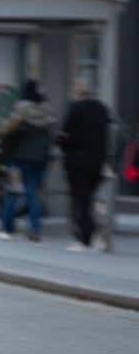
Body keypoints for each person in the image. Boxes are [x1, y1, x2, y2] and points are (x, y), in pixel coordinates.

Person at [0, 80, 55, 242]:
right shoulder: (48, 112)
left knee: (13, 192)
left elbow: (7, 131)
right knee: (33, 193)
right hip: (40, 159)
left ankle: (7, 228)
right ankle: (35, 229)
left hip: (18, 158)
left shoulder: (21, 109)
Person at [57, 80, 110, 252]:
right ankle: (98, 235)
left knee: (80, 200)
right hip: (97, 161)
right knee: (90, 198)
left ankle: (84, 238)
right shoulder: (102, 109)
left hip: (77, 161)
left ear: (77, 92)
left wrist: (63, 146)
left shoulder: (75, 108)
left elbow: (64, 135)